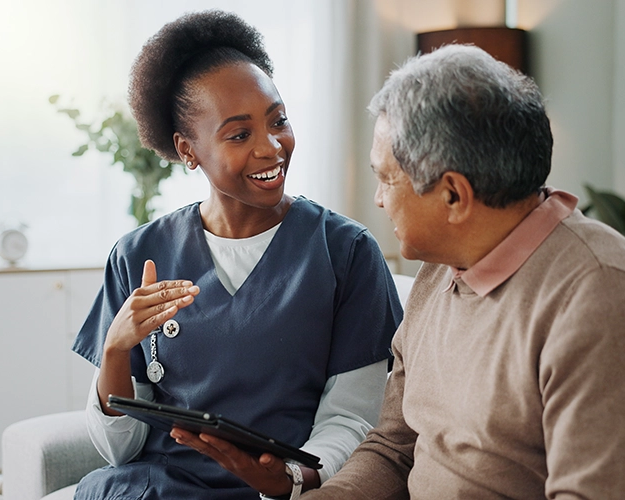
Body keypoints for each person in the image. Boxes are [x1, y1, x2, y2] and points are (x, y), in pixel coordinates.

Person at [302, 44, 625, 499]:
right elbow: (394, 447)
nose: (378, 199)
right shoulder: (440, 268)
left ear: (454, 195)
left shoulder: (603, 301)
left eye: (386, 178)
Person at [70, 10, 402, 500]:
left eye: (279, 121)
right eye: (239, 134)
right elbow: (120, 450)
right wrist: (116, 350)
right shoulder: (139, 254)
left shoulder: (346, 252)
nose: (272, 148)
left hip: (276, 489)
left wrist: (292, 477)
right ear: (189, 149)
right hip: (155, 489)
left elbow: (354, 418)